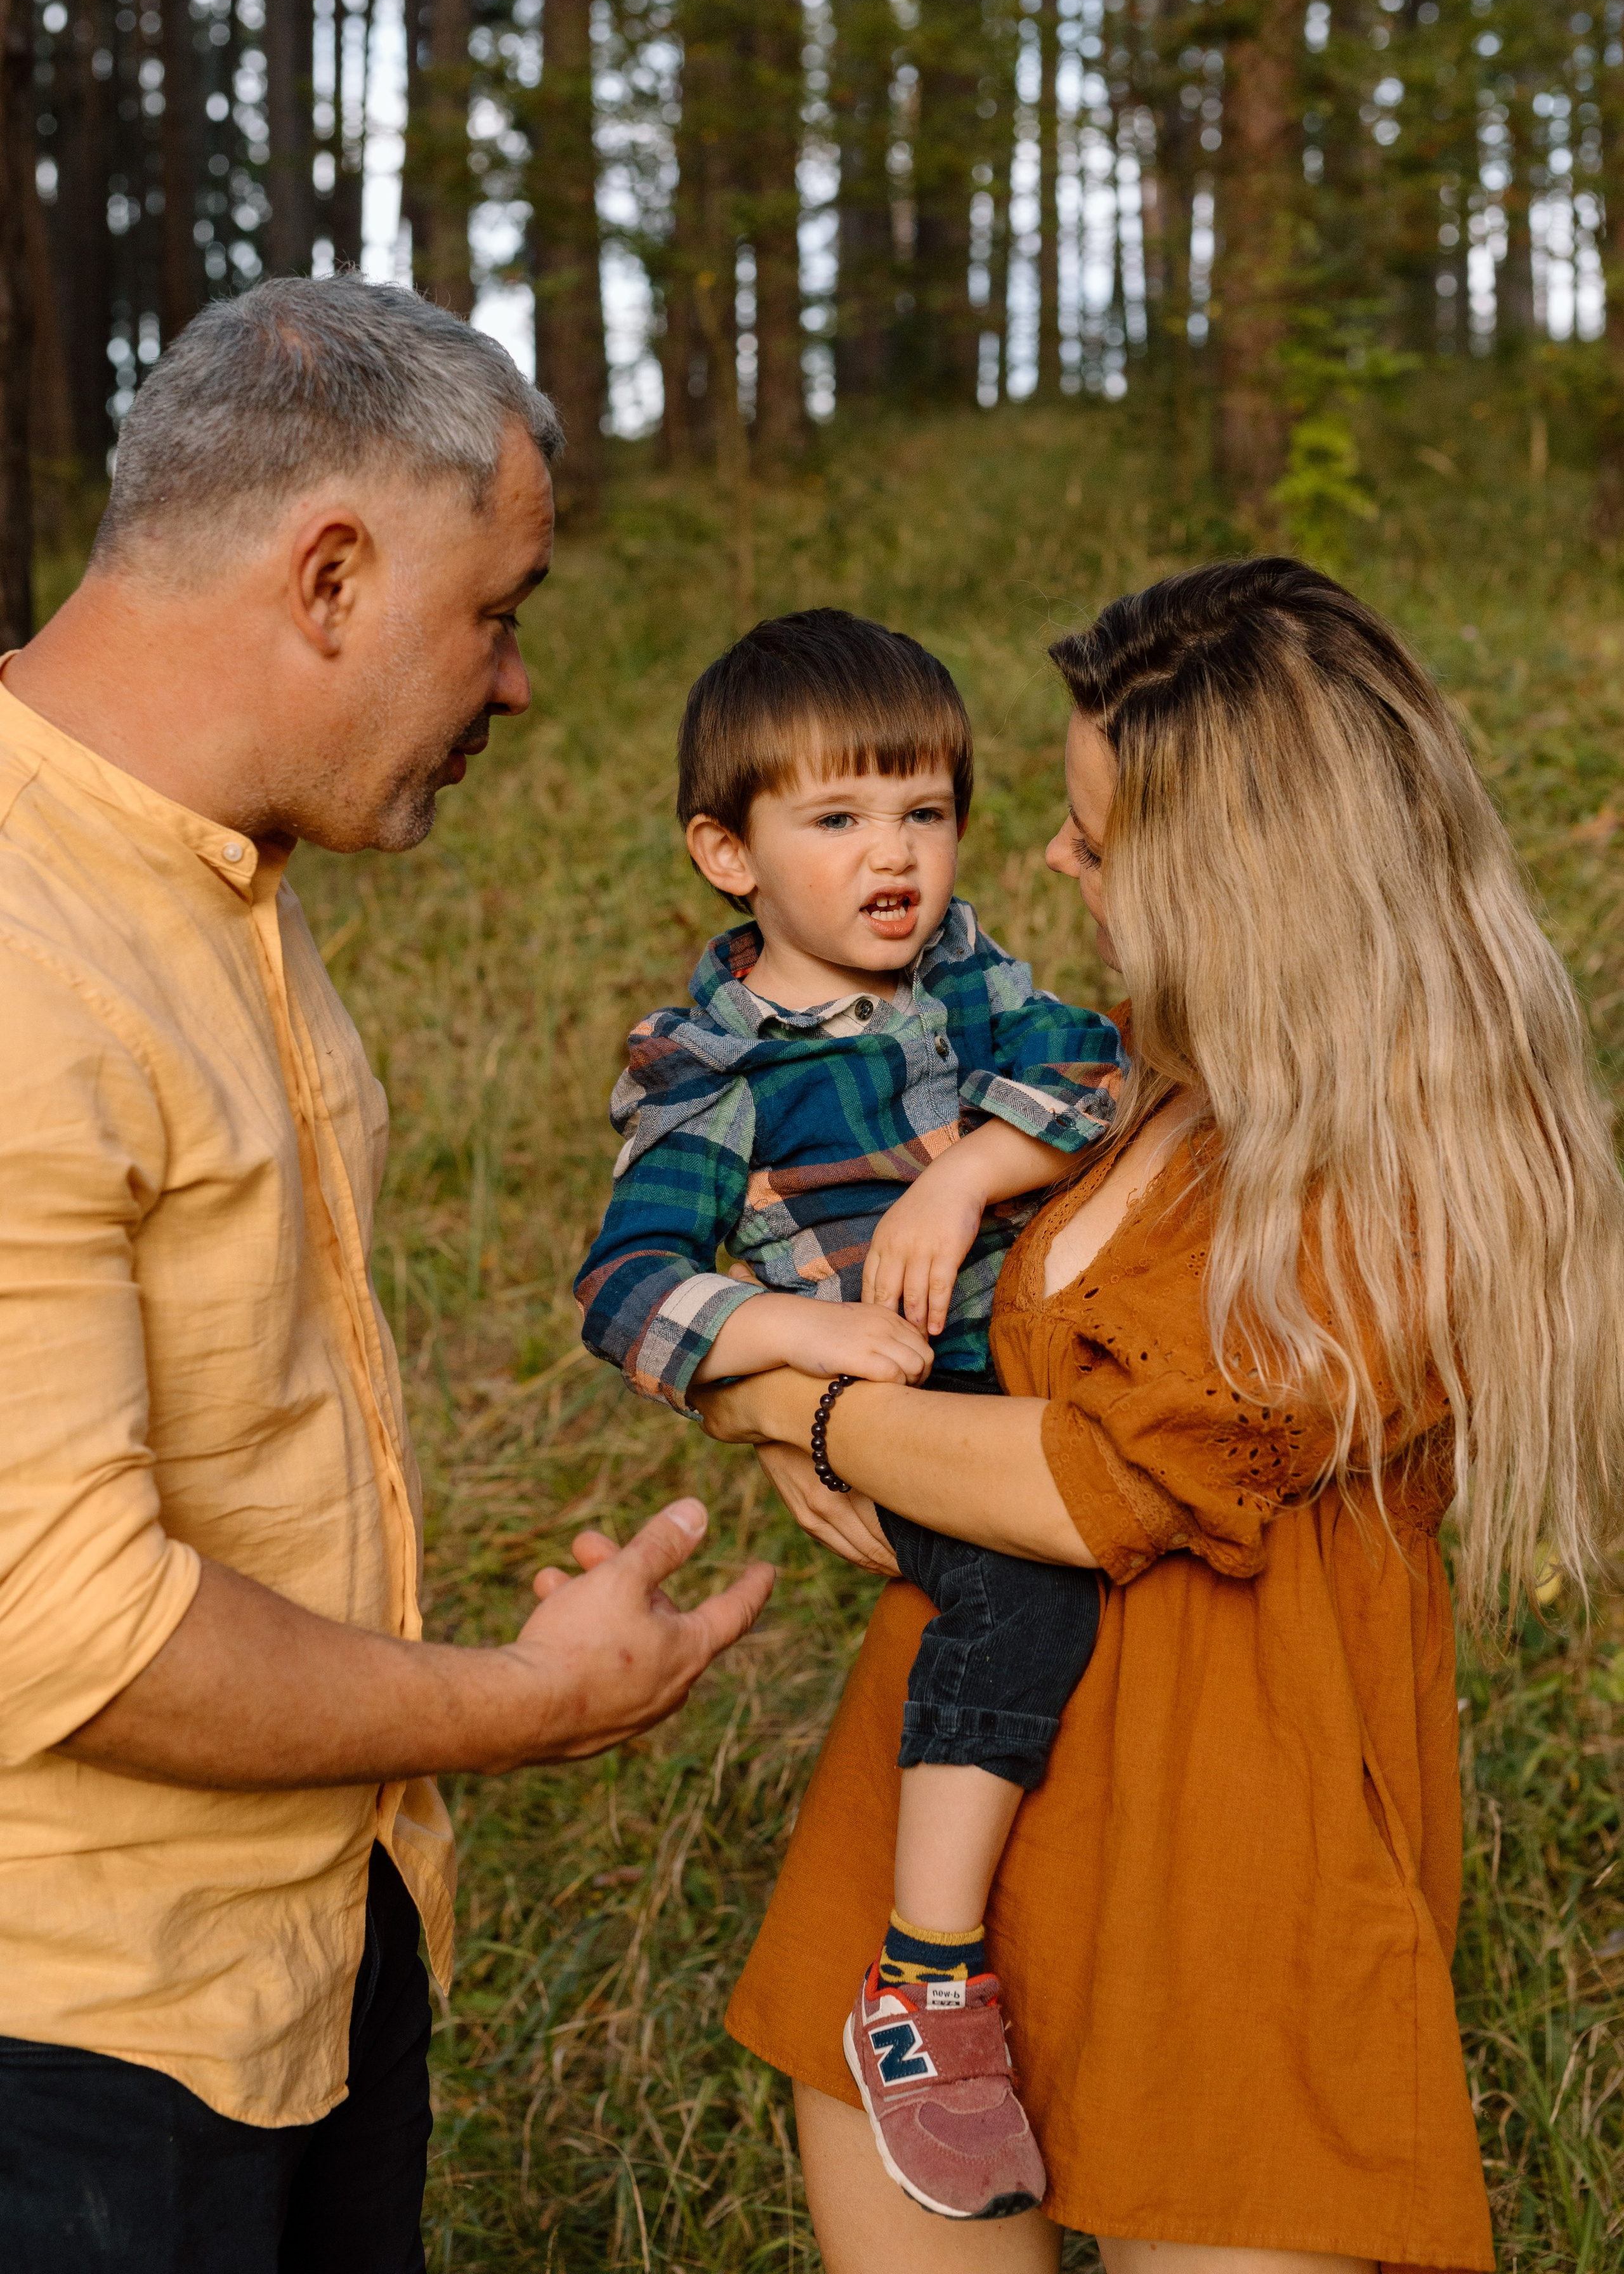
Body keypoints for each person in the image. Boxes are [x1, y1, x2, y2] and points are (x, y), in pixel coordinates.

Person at [697, 558, 1624, 2274]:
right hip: (941, 1854)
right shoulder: (1124, 1074)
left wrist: (781, 1400)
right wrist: (769, 1367)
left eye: (1096, 838)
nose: (1055, 861)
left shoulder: (1411, 1179)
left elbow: (1101, 1484)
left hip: (1234, 1892)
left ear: (1236, 882)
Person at [0, 275, 773, 2274]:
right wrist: (528, 1704)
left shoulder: (206, 864)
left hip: (317, 1949)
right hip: (72, 2047)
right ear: (330, 574)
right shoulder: (22, 943)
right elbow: (67, 1628)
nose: (516, 684)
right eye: (496, 612)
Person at [579, 610, 1123, 2218]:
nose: (892, 856)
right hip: (921, 1427)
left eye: (923, 811)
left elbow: (1090, 1071)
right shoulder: (711, 1076)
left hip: (1037, 1373)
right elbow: (628, 1287)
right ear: (725, 853)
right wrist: (787, 1343)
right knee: (1022, 1597)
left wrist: (964, 1172)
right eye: (834, 819)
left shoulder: (969, 977)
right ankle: (926, 1981)